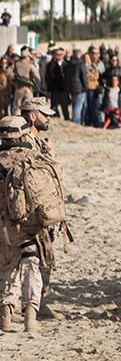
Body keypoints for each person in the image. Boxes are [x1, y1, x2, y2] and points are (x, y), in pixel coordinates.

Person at [0, 115, 55, 332]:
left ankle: (5, 315)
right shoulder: (33, 158)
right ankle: (30, 318)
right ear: (23, 134)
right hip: (29, 223)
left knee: (7, 268)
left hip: (3, 224)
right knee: (32, 265)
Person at [11, 49, 40, 116]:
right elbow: (37, 77)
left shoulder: (16, 64)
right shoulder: (30, 65)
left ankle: (17, 120)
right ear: (27, 57)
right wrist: (37, 87)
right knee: (30, 106)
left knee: (17, 107)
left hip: (18, 88)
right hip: (28, 89)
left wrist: (14, 78)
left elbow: (9, 73)